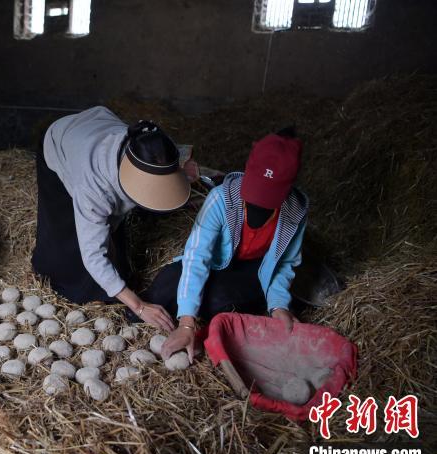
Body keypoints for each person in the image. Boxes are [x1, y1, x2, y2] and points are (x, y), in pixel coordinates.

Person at [32, 106, 197, 331]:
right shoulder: (93, 188)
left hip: (94, 129)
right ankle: (50, 271)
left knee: (114, 242)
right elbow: (93, 256)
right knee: (68, 246)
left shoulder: (149, 143)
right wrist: (139, 306)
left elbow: (172, 157)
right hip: (61, 142)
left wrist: (184, 175)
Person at [149, 131, 308, 361]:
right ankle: (192, 308)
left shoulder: (295, 212)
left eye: (267, 199)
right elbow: (196, 257)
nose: (257, 206)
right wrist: (186, 323)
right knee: (164, 287)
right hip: (218, 262)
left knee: (219, 303)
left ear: (286, 190)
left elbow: (285, 264)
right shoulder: (221, 199)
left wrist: (278, 306)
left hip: (255, 269)